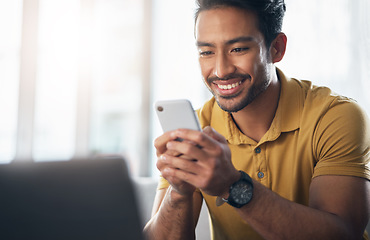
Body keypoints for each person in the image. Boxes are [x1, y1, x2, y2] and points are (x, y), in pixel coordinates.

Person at [144, 0, 370, 239]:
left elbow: (343, 234)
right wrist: (179, 192)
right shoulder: (198, 129)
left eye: (238, 49)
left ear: (276, 49)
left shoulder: (335, 116)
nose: (220, 71)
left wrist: (232, 186)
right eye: (206, 52)